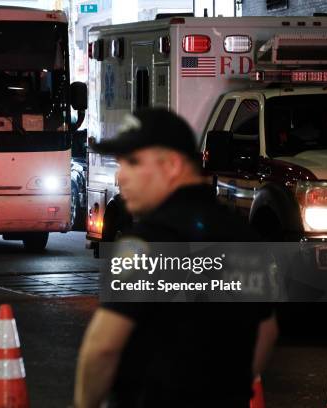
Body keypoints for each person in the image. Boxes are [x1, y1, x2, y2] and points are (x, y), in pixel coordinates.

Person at [74, 109, 278, 408]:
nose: (121, 176)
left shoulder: (145, 243)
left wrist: (84, 404)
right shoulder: (244, 236)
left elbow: (103, 346)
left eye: (132, 162)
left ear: (171, 165)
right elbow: (266, 331)